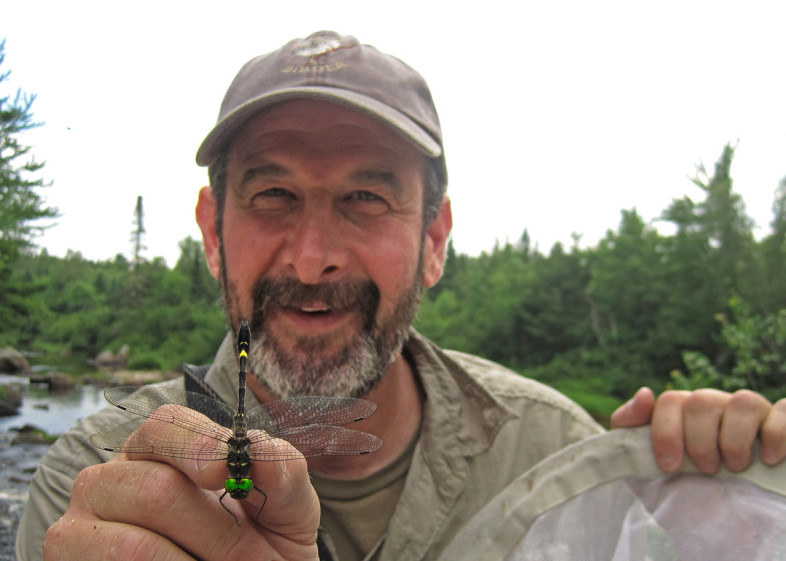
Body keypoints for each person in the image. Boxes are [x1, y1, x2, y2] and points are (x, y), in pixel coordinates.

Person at [19, 31, 786, 561]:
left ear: (434, 239)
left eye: (365, 197)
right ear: (213, 234)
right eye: (273, 193)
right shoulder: (96, 486)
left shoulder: (560, 457)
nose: (314, 257)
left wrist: (719, 517)